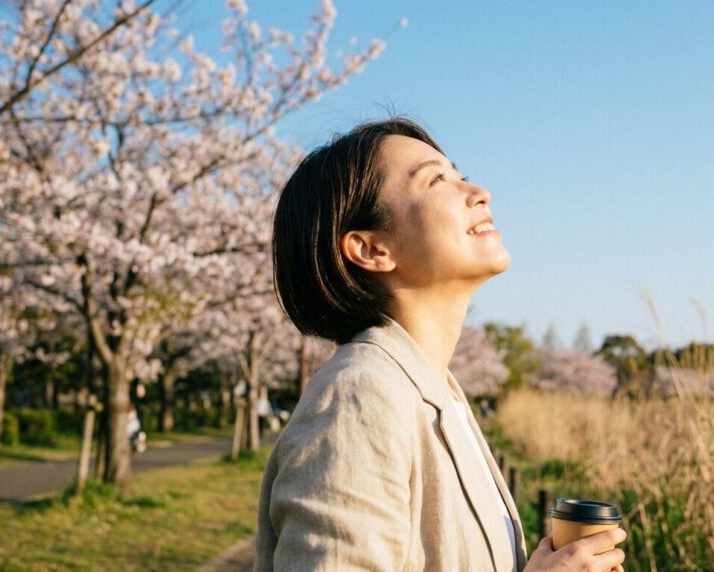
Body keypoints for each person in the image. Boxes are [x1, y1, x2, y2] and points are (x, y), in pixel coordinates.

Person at [255, 118, 626, 571]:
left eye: (460, 175)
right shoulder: (359, 397)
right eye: (436, 180)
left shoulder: (436, 394)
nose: (479, 192)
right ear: (371, 249)